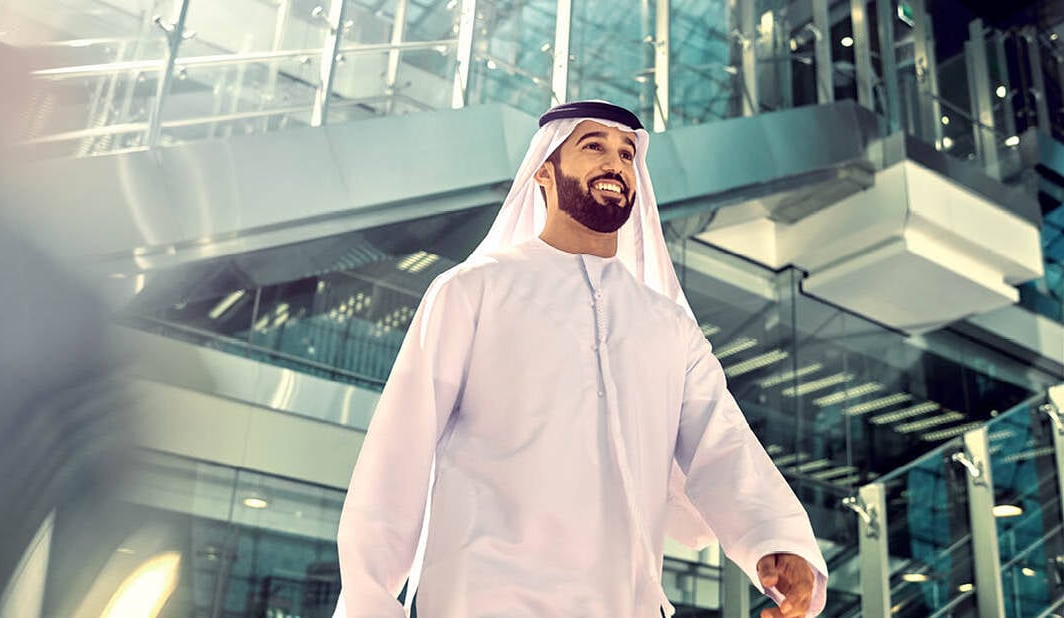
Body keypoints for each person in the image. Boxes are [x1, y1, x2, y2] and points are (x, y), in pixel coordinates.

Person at [335, 101, 828, 617]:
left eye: (627, 153)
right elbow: (398, 456)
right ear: (544, 171)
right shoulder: (473, 291)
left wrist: (778, 542)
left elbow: (722, 444)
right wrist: (370, 602)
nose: (615, 163)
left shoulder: (669, 326)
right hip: (484, 599)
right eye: (593, 146)